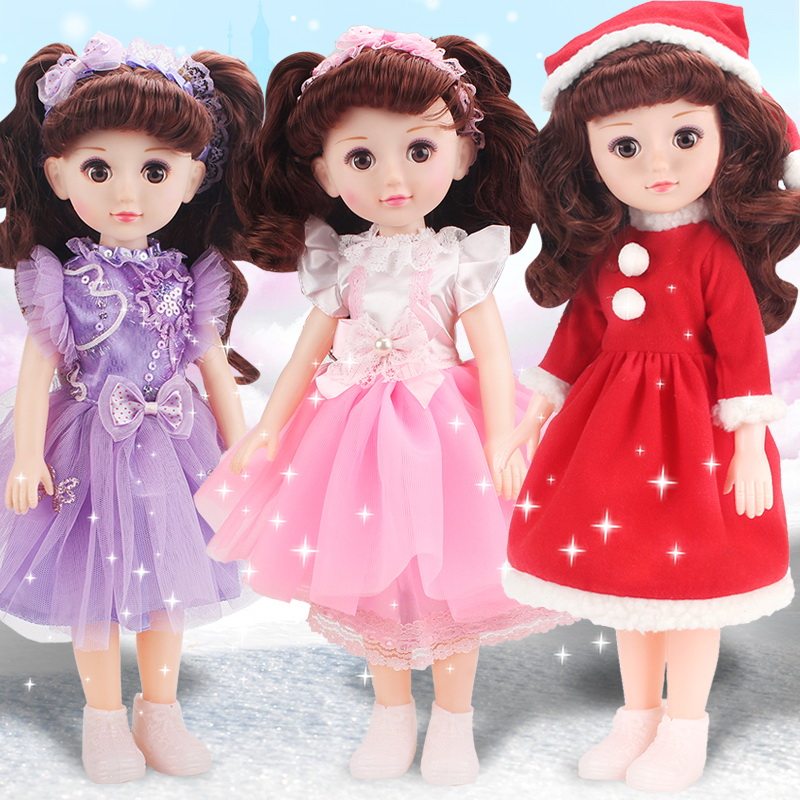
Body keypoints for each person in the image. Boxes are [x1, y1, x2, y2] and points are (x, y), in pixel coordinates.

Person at [195, 26, 571, 786]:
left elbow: (492, 353)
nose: (393, 177)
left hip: (445, 426)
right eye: (362, 157)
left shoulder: (460, 258)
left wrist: (503, 438)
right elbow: (308, 354)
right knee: (370, 578)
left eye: (420, 150)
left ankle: (455, 719)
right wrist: (269, 426)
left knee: (456, 585)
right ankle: (392, 713)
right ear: (326, 172)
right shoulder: (342, 262)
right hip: (354, 434)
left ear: (462, 156)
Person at [502, 2, 800, 792]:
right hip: (610, 436)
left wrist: (747, 445)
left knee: (693, 590)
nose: (656, 164)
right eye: (625, 145)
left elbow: (743, 353)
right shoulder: (609, 248)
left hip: (699, 435)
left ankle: (684, 724)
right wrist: (535, 412)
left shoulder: (713, 253)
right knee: (629, 585)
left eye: (686, 136)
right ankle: (636, 716)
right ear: (589, 154)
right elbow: (576, 337)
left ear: (728, 137)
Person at [0, 33, 262, 783]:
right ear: (58, 174)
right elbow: (37, 369)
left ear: (192, 178)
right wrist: (26, 455)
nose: (128, 193)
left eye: (154, 170)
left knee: (169, 586)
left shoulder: (189, 278)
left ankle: (161, 711)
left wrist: (241, 447)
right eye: (98, 169)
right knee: (92, 590)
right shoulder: (61, 279)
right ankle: (104, 719)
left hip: (176, 444)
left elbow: (211, 364)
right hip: (87, 443)